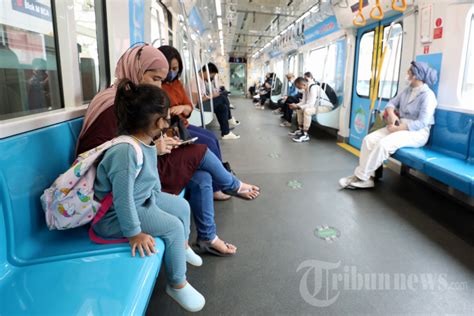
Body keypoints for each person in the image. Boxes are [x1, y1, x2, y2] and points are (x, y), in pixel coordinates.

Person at [77, 44, 260, 257]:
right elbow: (111, 155)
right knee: (201, 150)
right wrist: (155, 147)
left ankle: (207, 237)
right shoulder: (115, 104)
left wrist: (159, 140)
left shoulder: (126, 98)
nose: (159, 87)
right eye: (155, 79)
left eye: (162, 81)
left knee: (202, 177)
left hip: (141, 165)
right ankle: (231, 185)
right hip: (123, 181)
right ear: (136, 70)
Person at [94, 79, 205, 312]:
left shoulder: (145, 142)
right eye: (165, 117)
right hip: (116, 217)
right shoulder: (124, 152)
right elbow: (123, 200)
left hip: (142, 201)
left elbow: (149, 182)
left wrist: (159, 202)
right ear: (157, 121)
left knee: (182, 207)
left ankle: (181, 247)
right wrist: (134, 234)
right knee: (173, 226)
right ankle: (177, 283)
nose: (167, 122)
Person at [339, 61, 438, 189]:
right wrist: (392, 115)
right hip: (400, 125)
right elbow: (391, 103)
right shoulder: (407, 90)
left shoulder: (428, 96)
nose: (407, 73)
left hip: (417, 132)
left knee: (383, 144)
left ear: (415, 75)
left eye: (409, 71)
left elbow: (422, 122)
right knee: (368, 140)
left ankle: (361, 177)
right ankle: (368, 177)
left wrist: (399, 128)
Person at [191, 63, 240, 140]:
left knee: (222, 107)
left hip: (203, 104)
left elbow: (203, 95)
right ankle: (229, 118)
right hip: (197, 107)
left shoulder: (202, 80)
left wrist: (212, 95)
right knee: (223, 97)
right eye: (212, 75)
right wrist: (211, 96)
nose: (212, 78)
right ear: (207, 72)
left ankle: (226, 133)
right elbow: (196, 100)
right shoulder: (195, 80)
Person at [288, 77, 334, 143]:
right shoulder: (305, 89)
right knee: (299, 109)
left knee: (307, 111)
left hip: (326, 107)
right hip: (317, 106)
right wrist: (296, 105)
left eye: (299, 87)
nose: (298, 89)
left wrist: (298, 106)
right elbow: (303, 102)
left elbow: (310, 104)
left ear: (303, 84)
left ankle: (305, 134)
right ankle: (301, 130)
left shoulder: (313, 88)